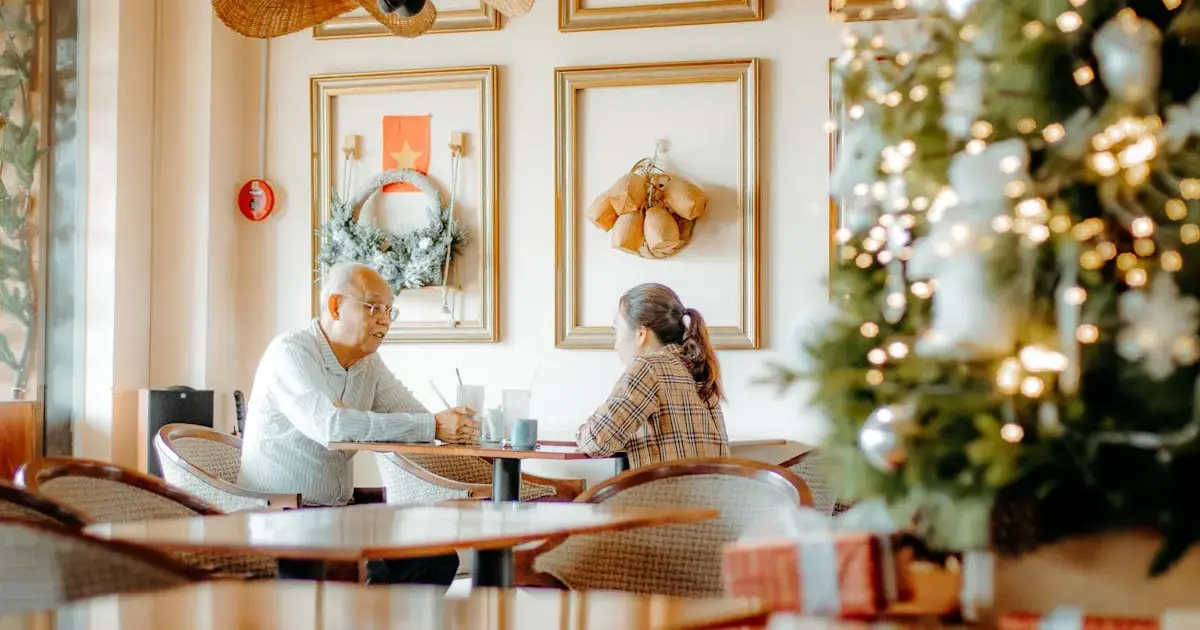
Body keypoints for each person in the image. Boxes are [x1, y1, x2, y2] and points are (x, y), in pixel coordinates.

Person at [238, 262, 478, 586]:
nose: (385, 320)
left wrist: (449, 426)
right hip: (279, 520)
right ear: (336, 306)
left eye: (390, 311)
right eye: (374, 307)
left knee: (435, 559)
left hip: (336, 518)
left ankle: (380, 613)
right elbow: (332, 427)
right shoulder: (290, 352)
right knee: (369, 577)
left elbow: (418, 421)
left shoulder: (369, 364)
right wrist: (430, 427)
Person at [576, 283, 730, 467]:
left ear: (641, 334)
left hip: (665, 486)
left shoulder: (647, 368)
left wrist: (581, 431)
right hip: (709, 485)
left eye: (617, 331)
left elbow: (596, 441)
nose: (616, 345)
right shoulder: (695, 366)